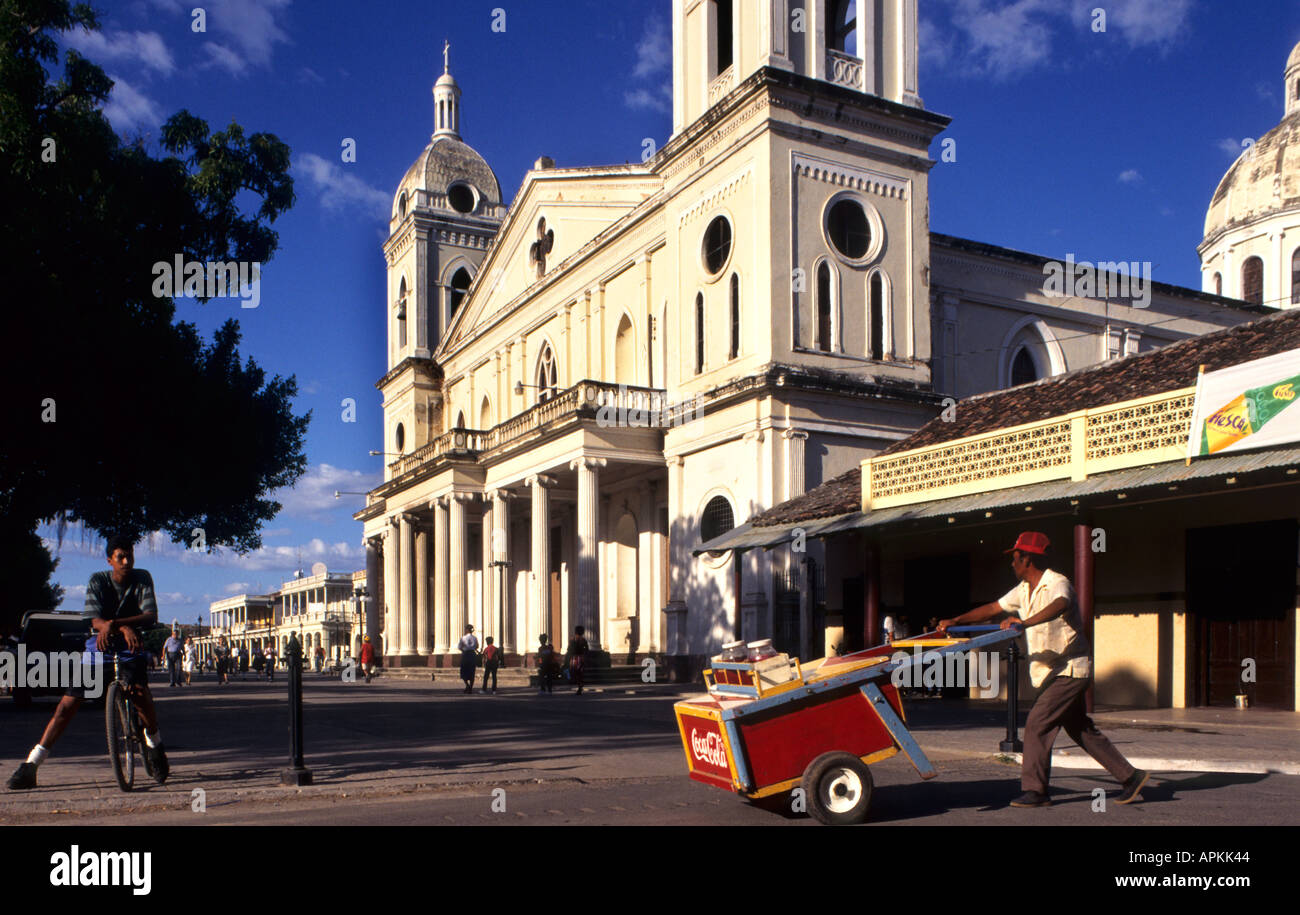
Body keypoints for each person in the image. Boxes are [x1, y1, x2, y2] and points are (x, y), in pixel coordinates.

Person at [938, 532, 1148, 808]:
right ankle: (1130, 777)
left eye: (1014, 558)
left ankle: (1035, 791)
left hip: (1070, 669)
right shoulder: (1023, 590)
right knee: (1080, 729)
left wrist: (1024, 623)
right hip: (1050, 673)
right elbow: (992, 608)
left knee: (1037, 724)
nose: (1012, 564)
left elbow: (1060, 605)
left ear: (1026, 558)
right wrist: (956, 619)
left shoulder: (1057, 583)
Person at [7, 535, 169, 789]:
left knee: (141, 696)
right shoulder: (98, 581)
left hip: (131, 645)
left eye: (130, 556)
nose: (126, 561)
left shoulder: (142, 577)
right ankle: (32, 763)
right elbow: (93, 618)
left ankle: (154, 744)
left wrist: (119, 626)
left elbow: (151, 615)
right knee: (67, 706)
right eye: (120, 557)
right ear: (110, 560)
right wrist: (109, 627)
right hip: (99, 646)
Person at [566, 626, 590, 696]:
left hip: (574, 658)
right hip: (581, 657)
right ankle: (580, 685)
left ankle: (578, 684)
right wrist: (586, 656)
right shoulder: (583, 640)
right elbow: (587, 649)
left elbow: (569, 649)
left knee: (574, 672)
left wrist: (567, 657)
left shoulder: (572, 639)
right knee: (580, 672)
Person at [457, 625, 479, 694]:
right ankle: (470, 688)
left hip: (465, 654)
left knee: (463, 671)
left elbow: (459, 647)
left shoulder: (463, 638)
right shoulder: (475, 638)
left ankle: (467, 685)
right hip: (472, 655)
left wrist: (463, 650)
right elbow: (477, 646)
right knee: (472, 671)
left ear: (466, 630)